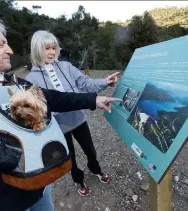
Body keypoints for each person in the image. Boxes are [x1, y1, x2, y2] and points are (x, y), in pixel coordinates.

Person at [0, 9, 120, 211]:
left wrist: (94, 99)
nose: (10, 50)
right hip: (0, 205)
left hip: (40, 191)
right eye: (1, 44)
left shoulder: (14, 83)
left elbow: (54, 98)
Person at [26, 30, 120, 197]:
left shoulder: (66, 66)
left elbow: (85, 82)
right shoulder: (31, 79)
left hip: (78, 119)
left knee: (90, 150)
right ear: (37, 49)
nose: (52, 52)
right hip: (57, 127)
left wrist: (105, 81)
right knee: (70, 158)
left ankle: (96, 170)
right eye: (47, 48)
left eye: (54, 47)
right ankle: (79, 180)